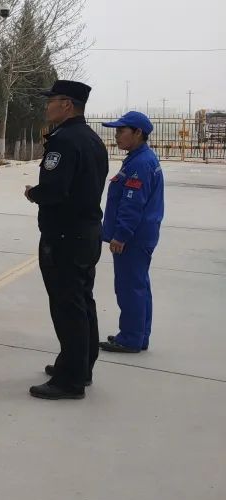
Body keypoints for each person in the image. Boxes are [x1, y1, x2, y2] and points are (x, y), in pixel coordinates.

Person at [23, 80, 109, 399]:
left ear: (67, 105)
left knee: (67, 306)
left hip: (64, 236)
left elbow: (55, 190)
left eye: (52, 100)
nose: (47, 106)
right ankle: (80, 366)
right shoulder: (92, 139)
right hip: (87, 232)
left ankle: (70, 380)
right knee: (82, 301)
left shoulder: (64, 141)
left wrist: (33, 193)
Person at [99, 111, 164, 354]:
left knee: (129, 287)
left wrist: (121, 235)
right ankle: (138, 334)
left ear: (138, 133)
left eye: (121, 131)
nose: (116, 136)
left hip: (133, 238)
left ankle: (129, 338)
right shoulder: (142, 158)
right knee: (139, 286)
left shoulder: (139, 164)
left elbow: (132, 204)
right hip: (143, 234)